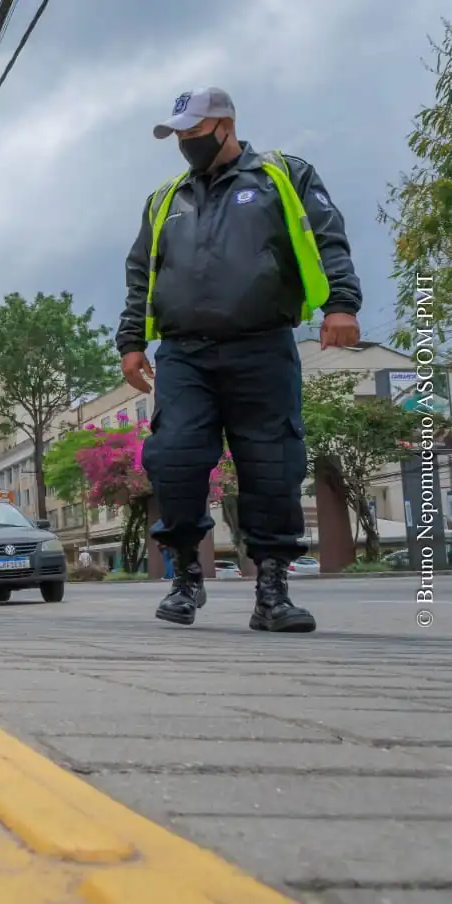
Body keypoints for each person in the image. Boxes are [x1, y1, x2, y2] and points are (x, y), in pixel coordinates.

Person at [117, 88, 362, 633]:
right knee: (174, 458)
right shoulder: (164, 199)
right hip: (183, 352)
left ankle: (272, 589)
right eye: (178, 134)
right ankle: (185, 576)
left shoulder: (282, 175)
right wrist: (131, 341)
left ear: (225, 124)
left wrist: (341, 302)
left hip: (262, 344)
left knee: (272, 465)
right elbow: (142, 273)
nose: (186, 142)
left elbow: (327, 238)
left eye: (194, 131)